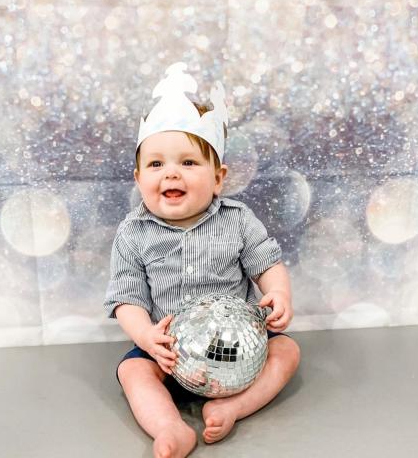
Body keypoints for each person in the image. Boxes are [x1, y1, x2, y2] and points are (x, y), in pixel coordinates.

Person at [105, 63, 300, 458]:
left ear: (218, 177)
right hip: (170, 351)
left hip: (238, 350)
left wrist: (278, 294)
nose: (170, 173)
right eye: (156, 164)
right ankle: (170, 427)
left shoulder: (239, 220)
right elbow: (126, 298)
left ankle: (233, 406)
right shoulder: (132, 233)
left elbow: (266, 264)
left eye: (188, 163)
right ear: (138, 177)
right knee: (132, 370)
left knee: (288, 352)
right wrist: (146, 338)